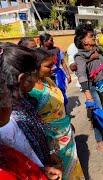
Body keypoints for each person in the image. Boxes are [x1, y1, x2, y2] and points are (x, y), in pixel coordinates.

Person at [0, 44, 62, 179]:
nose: (35, 80)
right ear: (21, 79)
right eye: (33, 75)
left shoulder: (22, 101)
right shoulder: (8, 120)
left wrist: (40, 169)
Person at [29, 48, 84, 179]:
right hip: (51, 143)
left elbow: (59, 107)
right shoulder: (30, 91)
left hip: (65, 134)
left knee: (73, 167)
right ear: (35, 67)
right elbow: (33, 123)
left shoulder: (48, 81)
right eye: (48, 66)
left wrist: (67, 122)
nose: (54, 68)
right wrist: (50, 150)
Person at [39, 33, 71, 105]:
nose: (52, 42)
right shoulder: (39, 52)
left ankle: (64, 111)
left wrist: (68, 75)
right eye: (51, 40)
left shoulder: (57, 50)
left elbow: (63, 62)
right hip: (45, 77)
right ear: (44, 41)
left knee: (61, 91)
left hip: (58, 75)